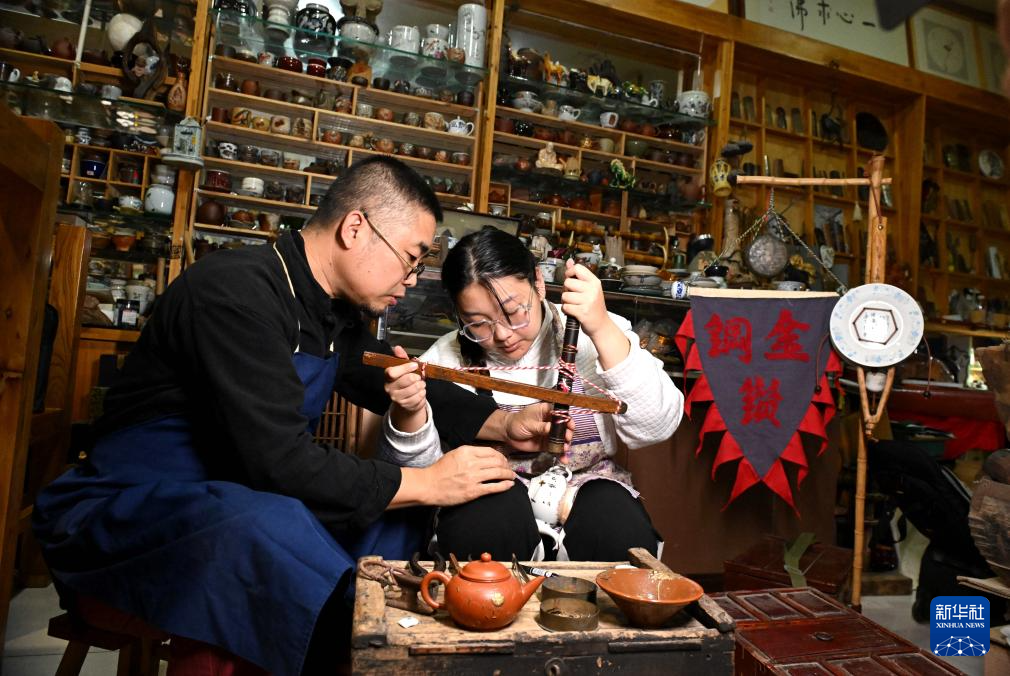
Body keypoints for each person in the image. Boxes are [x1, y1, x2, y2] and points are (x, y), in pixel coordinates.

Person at [33, 158, 565, 676]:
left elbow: (398, 375)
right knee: (265, 525)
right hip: (132, 508)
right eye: (410, 257)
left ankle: (363, 648)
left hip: (246, 491)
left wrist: (503, 423)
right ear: (355, 228)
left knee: (396, 522)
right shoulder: (235, 292)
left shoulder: (332, 313)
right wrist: (427, 482)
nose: (410, 279)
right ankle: (344, 647)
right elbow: (277, 461)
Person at [377, 227, 684, 563]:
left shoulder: (590, 329)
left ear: (538, 282)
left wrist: (601, 328)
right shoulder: (445, 358)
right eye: (478, 324)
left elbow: (655, 427)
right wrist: (409, 412)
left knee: (618, 530)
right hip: (488, 491)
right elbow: (421, 474)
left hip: (584, 485)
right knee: (482, 530)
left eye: (514, 312)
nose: (503, 336)